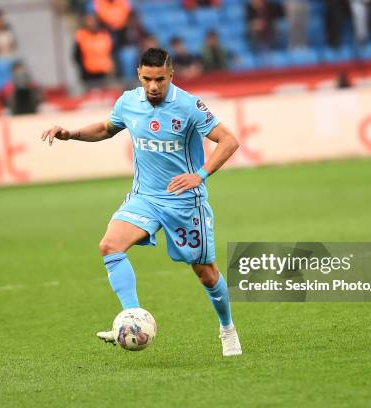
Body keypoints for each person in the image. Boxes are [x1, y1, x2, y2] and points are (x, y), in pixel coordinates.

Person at [41, 48, 242, 357]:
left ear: (171, 76)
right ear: (138, 74)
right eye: (147, 79)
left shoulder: (189, 106)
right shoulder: (128, 102)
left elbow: (229, 140)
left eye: (160, 79)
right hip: (145, 198)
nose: (153, 87)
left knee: (206, 273)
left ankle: (227, 329)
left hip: (184, 202)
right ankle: (132, 318)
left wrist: (200, 175)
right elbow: (107, 129)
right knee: (110, 246)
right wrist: (71, 133)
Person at [73, 14, 114, 88]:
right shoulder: (81, 35)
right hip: (88, 74)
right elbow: (76, 55)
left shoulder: (104, 35)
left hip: (104, 72)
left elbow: (111, 52)